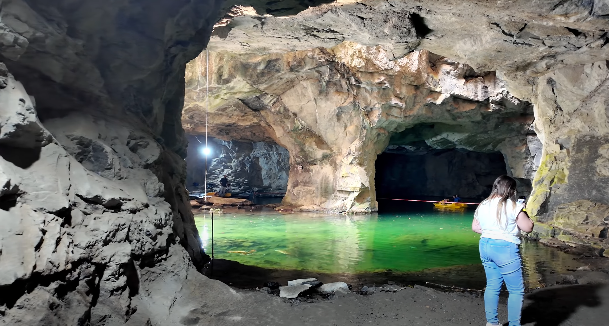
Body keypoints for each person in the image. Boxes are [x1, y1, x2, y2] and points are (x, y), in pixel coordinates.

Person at [471, 175, 534, 326]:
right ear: (512, 190)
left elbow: (475, 227)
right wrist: (524, 212)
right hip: (505, 248)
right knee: (516, 291)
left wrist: (493, 231)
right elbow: (528, 227)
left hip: (485, 245)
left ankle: (492, 323)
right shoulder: (514, 206)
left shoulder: (483, 204)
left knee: (492, 285)